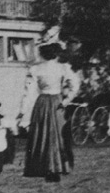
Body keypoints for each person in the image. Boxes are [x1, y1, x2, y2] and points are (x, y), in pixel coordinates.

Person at [19, 36, 73, 183]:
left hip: (43, 102)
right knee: (57, 135)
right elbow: (70, 86)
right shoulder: (62, 68)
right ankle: (57, 167)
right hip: (57, 102)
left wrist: (22, 111)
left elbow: (28, 92)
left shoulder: (35, 69)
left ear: (42, 53)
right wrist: (66, 100)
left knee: (43, 134)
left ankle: (45, 167)